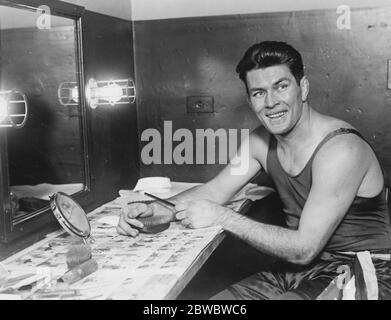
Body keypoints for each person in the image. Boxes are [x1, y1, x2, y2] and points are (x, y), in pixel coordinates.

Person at [117, 41, 391, 300]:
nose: (270, 102)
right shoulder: (260, 141)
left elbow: (304, 248)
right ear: (250, 100)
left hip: (359, 267)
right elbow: (215, 190)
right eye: (259, 93)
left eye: (281, 86)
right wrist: (158, 209)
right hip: (296, 269)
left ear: (303, 88)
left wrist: (224, 218)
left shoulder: (341, 149)